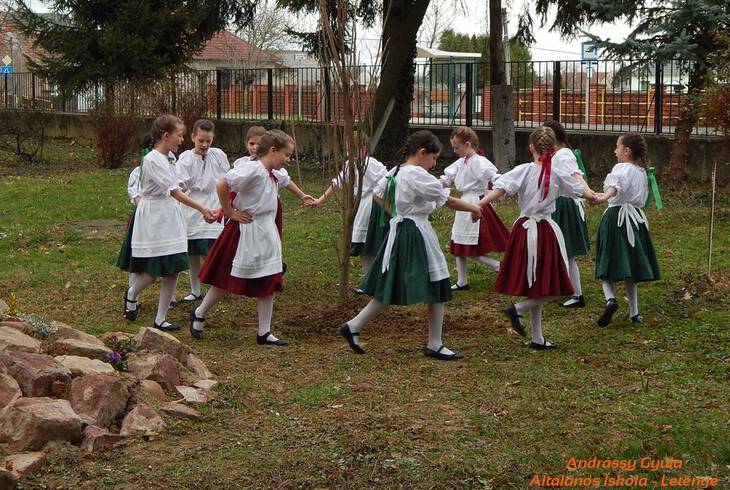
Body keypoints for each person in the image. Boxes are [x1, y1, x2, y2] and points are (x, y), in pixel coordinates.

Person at [337, 130, 483, 361]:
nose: (434, 164)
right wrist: (474, 208)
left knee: (398, 284)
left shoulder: (396, 171)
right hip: (415, 232)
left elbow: (377, 194)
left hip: (404, 229)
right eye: (433, 158)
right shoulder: (416, 174)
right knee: (435, 282)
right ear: (422, 152)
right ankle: (433, 343)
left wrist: (395, 212)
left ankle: (355, 325)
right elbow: (447, 200)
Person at [475, 127, 596, 350]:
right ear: (554, 148)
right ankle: (518, 310)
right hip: (545, 231)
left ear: (531, 147)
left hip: (523, 229)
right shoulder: (558, 172)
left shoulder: (523, 170)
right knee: (558, 287)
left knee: (537, 285)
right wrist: (598, 196)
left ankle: (537, 338)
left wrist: (479, 205)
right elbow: (582, 191)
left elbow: (500, 189)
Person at [190, 130, 296, 344]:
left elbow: (287, 182)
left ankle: (264, 332)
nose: (288, 159)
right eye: (286, 154)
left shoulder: (273, 172)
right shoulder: (252, 170)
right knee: (226, 278)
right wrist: (229, 212)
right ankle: (200, 312)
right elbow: (222, 184)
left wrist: (303, 196)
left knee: (269, 279)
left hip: (266, 231)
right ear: (273, 151)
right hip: (244, 231)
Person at [123, 115, 216, 331]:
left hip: (171, 215)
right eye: (179, 135)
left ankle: (160, 318)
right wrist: (202, 208)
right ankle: (131, 293)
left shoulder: (171, 158)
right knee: (155, 268)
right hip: (156, 216)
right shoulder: (153, 159)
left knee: (173, 267)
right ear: (166, 136)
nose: (182, 140)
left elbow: (179, 184)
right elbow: (173, 190)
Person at [593, 133, 661, 327]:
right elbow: (629, 195)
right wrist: (603, 195)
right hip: (636, 222)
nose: (614, 151)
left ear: (626, 150)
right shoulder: (641, 172)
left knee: (606, 262)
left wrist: (603, 197)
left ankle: (611, 300)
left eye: (617, 147)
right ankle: (634, 313)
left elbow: (615, 188)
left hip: (617, 219)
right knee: (630, 268)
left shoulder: (622, 167)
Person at [440, 126, 509, 291]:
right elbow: (446, 177)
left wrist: (503, 186)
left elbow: (495, 177)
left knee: (472, 246)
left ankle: (498, 266)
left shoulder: (480, 162)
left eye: (457, 147)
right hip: (464, 202)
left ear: (468, 144)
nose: (455, 150)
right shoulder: (461, 161)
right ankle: (462, 281)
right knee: (458, 244)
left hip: (476, 202)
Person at [176, 119, 230, 303]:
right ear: (193, 137)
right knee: (192, 252)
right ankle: (195, 289)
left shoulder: (219, 155)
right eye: (201, 141)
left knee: (214, 249)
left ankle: (219, 285)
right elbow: (179, 185)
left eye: (208, 141)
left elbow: (228, 180)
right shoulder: (186, 158)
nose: (205, 145)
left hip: (215, 206)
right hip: (193, 208)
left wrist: (221, 207)